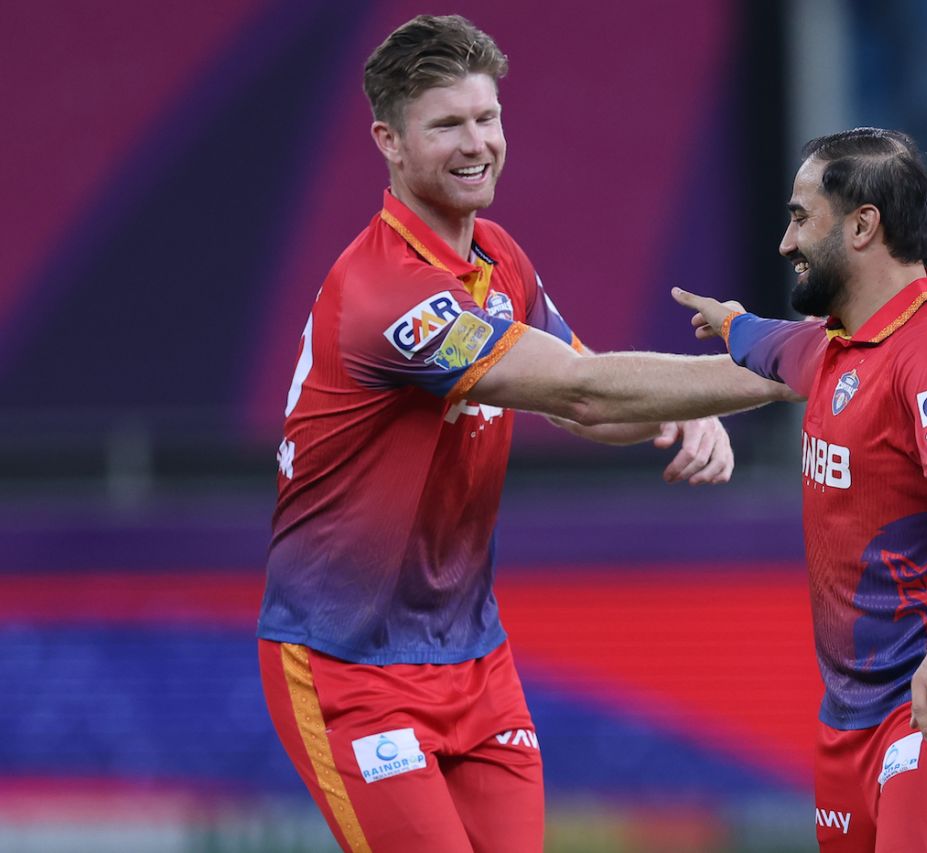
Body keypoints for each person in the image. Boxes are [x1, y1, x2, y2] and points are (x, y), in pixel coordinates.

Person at [255, 14, 792, 853]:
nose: (477, 144)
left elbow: (596, 399)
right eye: (447, 125)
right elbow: (576, 387)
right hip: (347, 665)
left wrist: (687, 412)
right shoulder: (386, 294)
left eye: (488, 117)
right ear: (388, 142)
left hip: (475, 658)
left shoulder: (500, 257)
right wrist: (786, 363)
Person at [672, 128, 927, 852]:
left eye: (801, 216)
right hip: (849, 718)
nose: (785, 241)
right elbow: (776, 347)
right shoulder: (840, 348)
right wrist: (732, 324)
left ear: (863, 224)